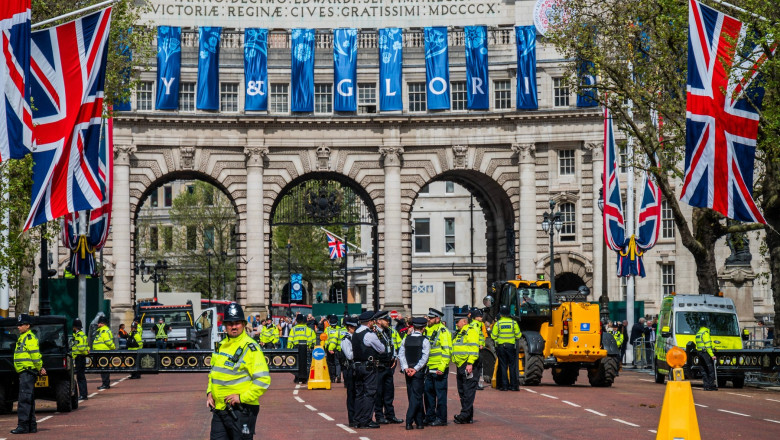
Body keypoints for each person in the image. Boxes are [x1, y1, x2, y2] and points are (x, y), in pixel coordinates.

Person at [207, 302, 271, 439]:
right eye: (230, 323)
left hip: (241, 410)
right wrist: (209, 392)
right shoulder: (221, 346)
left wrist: (242, 398)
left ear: (243, 323)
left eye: (237, 323)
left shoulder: (251, 347)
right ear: (225, 325)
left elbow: (263, 380)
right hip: (220, 409)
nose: (233, 327)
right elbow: (214, 373)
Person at [11, 314, 46, 434]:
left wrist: (40, 367)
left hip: (27, 371)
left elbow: (35, 355)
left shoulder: (29, 338)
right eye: (18, 325)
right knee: (28, 398)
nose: (19, 327)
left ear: (28, 325)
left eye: (21, 325)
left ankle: (23, 425)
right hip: (25, 372)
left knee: (24, 399)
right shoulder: (23, 337)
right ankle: (31, 425)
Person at [352, 311, 384, 429]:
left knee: (359, 393)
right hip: (368, 366)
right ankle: (366, 420)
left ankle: (357, 419)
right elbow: (381, 349)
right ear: (370, 322)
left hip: (357, 366)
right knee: (369, 393)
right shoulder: (369, 334)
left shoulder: (356, 333)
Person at [372, 311, 403, 424]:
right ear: (379, 321)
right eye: (385, 320)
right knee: (379, 392)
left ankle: (390, 415)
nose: (388, 322)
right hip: (378, 366)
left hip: (388, 365)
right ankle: (379, 416)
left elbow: (392, 344)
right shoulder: (373, 332)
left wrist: (394, 357)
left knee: (389, 392)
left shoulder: (388, 331)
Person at [399, 317, 429, 430]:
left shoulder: (405, 339)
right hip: (418, 371)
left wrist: (406, 368)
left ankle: (419, 421)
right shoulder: (425, 340)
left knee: (412, 395)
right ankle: (409, 420)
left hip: (408, 371)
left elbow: (401, 355)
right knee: (417, 396)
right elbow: (424, 357)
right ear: (423, 328)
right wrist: (416, 369)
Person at [423, 308, 452, 427]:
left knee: (440, 395)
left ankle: (441, 418)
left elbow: (447, 351)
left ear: (437, 319)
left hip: (439, 368)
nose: (428, 319)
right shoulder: (428, 330)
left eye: (430, 318)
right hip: (428, 368)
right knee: (428, 394)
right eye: (428, 317)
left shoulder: (443, 331)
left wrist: (442, 367)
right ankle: (430, 417)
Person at [453, 315, 479, 424]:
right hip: (460, 364)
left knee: (468, 390)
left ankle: (464, 414)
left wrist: (470, 363)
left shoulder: (470, 331)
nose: (456, 324)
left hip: (467, 364)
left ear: (464, 321)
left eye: (457, 321)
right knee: (462, 390)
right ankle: (468, 416)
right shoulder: (459, 333)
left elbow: (474, 348)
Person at [491, 304, 521, 391]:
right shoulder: (513, 323)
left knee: (503, 366)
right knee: (512, 366)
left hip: (501, 347)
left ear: (501, 314)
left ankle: (504, 386)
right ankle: (513, 386)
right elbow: (518, 335)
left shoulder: (498, 323)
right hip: (511, 347)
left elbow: (493, 336)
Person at [340, 316, 359, 428]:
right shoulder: (346, 340)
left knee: (359, 394)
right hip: (349, 369)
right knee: (351, 394)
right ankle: (352, 419)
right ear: (349, 328)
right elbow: (349, 355)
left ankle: (359, 417)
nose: (355, 329)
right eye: (353, 327)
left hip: (357, 368)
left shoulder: (356, 338)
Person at [288, 314, 316, 384]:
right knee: (306, 363)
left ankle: (297, 377)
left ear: (297, 321)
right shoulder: (309, 330)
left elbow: (290, 339)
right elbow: (313, 339)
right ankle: (305, 378)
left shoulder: (293, 329)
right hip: (306, 348)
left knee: (297, 363)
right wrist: (311, 346)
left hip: (296, 348)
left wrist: (289, 349)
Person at [92, 315, 115, 390]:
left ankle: (105, 384)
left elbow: (108, 341)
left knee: (104, 368)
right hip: (100, 352)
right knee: (103, 368)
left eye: (99, 323)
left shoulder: (104, 331)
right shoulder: (101, 331)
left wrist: (113, 347)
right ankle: (105, 383)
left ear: (102, 323)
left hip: (103, 352)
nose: (98, 325)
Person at [695, 316, 717, 391]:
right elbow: (707, 345)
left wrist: (713, 346)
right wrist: (712, 355)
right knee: (710, 369)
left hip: (699, 353)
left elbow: (703, 343)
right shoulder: (705, 333)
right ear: (705, 325)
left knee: (703, 370)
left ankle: (706, 385)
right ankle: (710, 385)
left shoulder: (698, 333)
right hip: (705, 353)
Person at [468, 308, 486, 390]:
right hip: (477, 349)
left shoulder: (477, 324)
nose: (481, 317)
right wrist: (480, 345)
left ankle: (474, 383)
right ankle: (475, 384)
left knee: (476, 367)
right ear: (475, 317)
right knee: (476, 368)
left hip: (477, 348)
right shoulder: (475, 325)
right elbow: (476, 337)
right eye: (479, 315)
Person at [72, 319, 89, 400]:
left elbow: (81, 348)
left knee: (80, 377)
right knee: (81, 376)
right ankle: (83, 394)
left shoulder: (78, 336)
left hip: (79, 357)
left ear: (75, 327)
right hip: (81, 357)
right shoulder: (82, 335)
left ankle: (83, 395)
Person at [325, 315, 342, 383]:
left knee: (331, 363)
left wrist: (326, 348)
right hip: (337, 348)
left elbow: (325, 339)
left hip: (329, 348)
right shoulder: (339, 329)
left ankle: (332, 377)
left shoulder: (327, 329)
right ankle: (338, 375)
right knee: (337, 363)